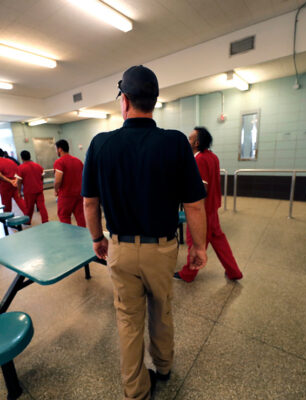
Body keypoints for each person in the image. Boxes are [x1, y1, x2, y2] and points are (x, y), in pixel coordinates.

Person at [82, 65, 208, 400]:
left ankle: (135, 390)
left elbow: (90, 204)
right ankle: (164, 368)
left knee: (127, 318)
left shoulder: (100, 144)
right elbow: (195, 205)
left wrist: (97, 238)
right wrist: (200, 246)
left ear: (124, 101)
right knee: (162, 309)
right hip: (162, 249)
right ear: (154, 101)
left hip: (120, 248)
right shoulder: (176, 142)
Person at [174, 127, 244, 282]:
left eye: (190, 138)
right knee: (219, 240)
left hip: (203, 210)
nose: (188, 141)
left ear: (197, 143)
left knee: (195, 240)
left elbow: (202, 187)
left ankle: (188, 273)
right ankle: (234, 272)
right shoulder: (212, 157)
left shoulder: (199, 160)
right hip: (213, 207)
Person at [54, 140, 85, 227]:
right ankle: (84, 237)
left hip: (66, 195)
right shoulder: (78, 161)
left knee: (64, 216)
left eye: (56, 149)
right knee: (81, 217)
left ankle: (68, 238)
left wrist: (56, 190)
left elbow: (58, 180)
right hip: (79, 194)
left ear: (60, 149)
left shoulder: (59, 162)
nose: (56, 151)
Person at [15, 150, 48, 224]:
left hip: (29, 191)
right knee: (42, 207)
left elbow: (19, 182)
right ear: (30, 156)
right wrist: (40, 184)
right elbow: (42, 177)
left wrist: (19, 192)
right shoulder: (38, 166)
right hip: (39, 190)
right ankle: (45, 221)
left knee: (29, 208)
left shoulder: (20, 168)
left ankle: (27, 221)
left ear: (22, 158)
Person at [0, 148, 26, 213]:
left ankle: (7, 219)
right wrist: (15, 180)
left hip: (5, 185)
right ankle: (28, 215)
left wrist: (10, 181)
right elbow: (18, 171)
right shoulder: (10, 161)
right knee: (20, 200)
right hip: (15, 184)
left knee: (6, 205)